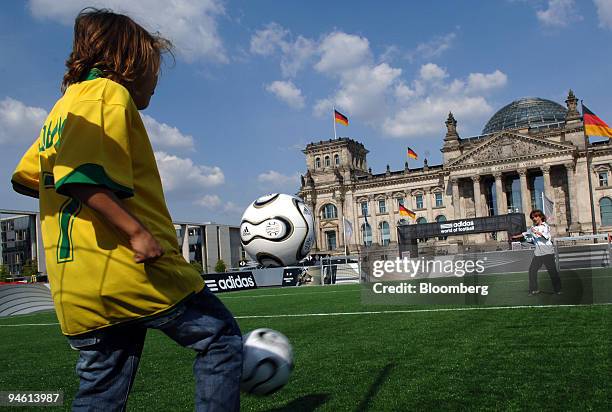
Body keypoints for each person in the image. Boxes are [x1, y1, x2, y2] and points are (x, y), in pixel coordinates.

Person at [10, 9, 242, 411]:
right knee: (220, 340)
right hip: (131, 270)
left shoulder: (63, 108)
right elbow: (79, 177)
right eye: (153, 67)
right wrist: (136, 232)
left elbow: (35, 178)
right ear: (129, 59)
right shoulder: (105, 94)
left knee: (101, 392)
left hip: (78, 282)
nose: (155, 78)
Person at [511, 209, 562, 296]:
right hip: (538, 253)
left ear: (540, 217)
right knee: (532, 270)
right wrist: (515, 236)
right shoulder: (533, 228)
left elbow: (546, 237)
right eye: (532, 217)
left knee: (552, 271)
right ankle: (534, 290)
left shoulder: (545, 226)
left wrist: (537, 232)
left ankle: (558, 290)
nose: (534, 219)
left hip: (547, 252)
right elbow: (525, 234)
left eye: (535, 216)